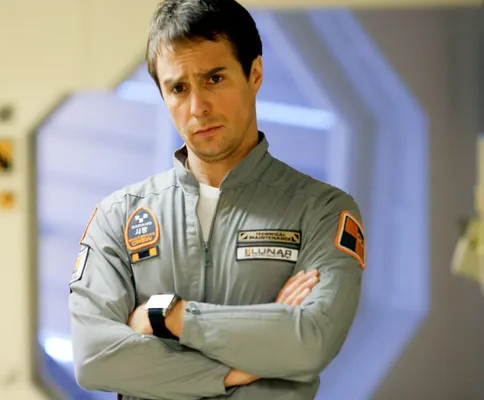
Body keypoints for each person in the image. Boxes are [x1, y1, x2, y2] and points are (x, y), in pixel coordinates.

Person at [68, 0, 366, 398]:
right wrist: (241, 366)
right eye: (178, 88)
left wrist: (168, 316)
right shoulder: (118, 217)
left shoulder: (321, 211)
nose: (198, 107)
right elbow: (95, 358)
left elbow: (310, 341)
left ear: (254, 73)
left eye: (214, 79)